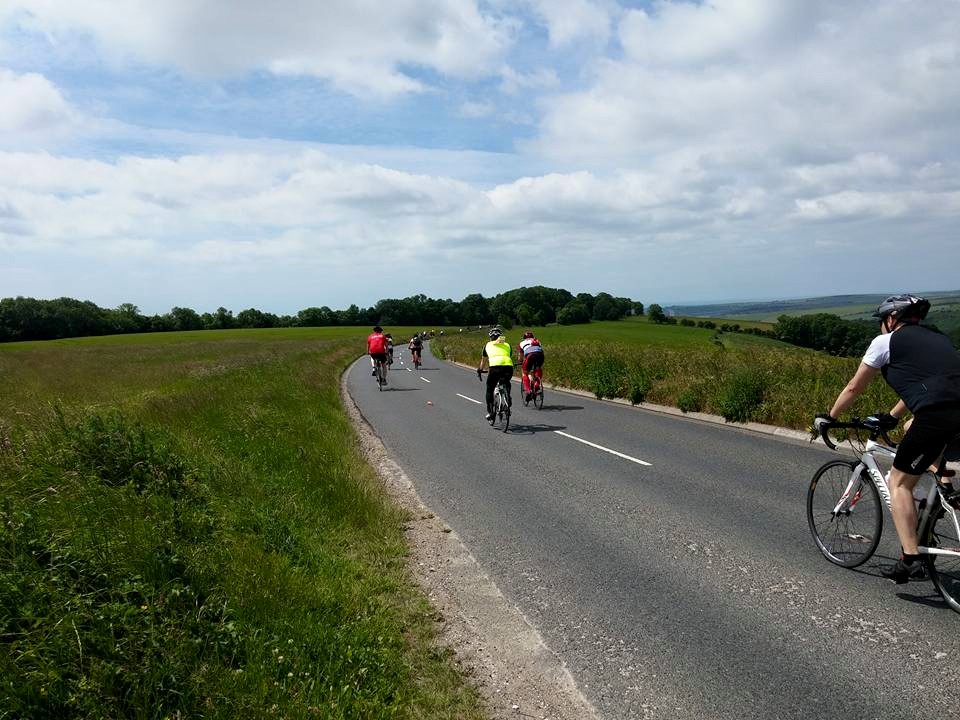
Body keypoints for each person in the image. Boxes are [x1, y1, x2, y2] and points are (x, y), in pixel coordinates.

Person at [815, 294, 960, 583]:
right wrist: (893, 416)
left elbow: (855, 387)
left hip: (937, 414)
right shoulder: (938, 338)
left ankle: (910, 560)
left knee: (899, 482)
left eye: (883, 321)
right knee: (910, 429)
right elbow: (929, 384)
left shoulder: (885, 342)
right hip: (951, 408)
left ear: (891, 319)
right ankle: (945, 489)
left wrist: (830, 417)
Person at [476, 327, 513, 420]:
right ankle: (508, 398)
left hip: (494, 367)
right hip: (508, 366)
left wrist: (480, 369)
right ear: (500, 336)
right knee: (506, 381)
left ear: (490, 337)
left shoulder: (487, 345)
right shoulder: (507, 344)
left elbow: (483, 360)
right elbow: (508, 355)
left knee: (490, 388)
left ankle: (491, 412)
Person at [517, 330, 545, 402]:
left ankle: (528, 390)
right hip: (540, 355)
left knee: (524, 372)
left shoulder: (521, 343)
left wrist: (521, 362)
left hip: (530, 356)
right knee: (538, 368)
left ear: (524, 338)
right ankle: (537, 384)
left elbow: (520, 357)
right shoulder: (536, 340)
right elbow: (540, 349)